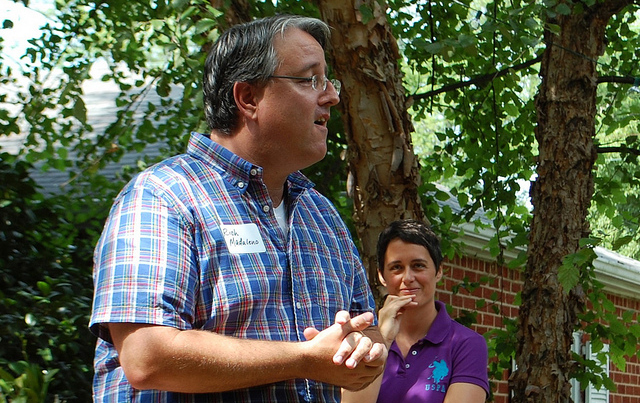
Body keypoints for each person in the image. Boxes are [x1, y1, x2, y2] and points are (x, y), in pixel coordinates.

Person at [89, 14, 387, 402]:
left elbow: (368, 330)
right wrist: (301, 359)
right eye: (310, 79)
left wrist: (365, 350)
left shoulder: (323, 217)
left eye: (329, 81)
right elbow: (147, 356)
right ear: (248, 98)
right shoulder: (163, 197)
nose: (330, 95)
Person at [342, 219, 490, 403]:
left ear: (438, 271)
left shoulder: (467, 344)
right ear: (381, 276)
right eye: (396, 267)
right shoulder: (362, 343)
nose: (408, 278)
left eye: (418, 265)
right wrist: (382, 340)